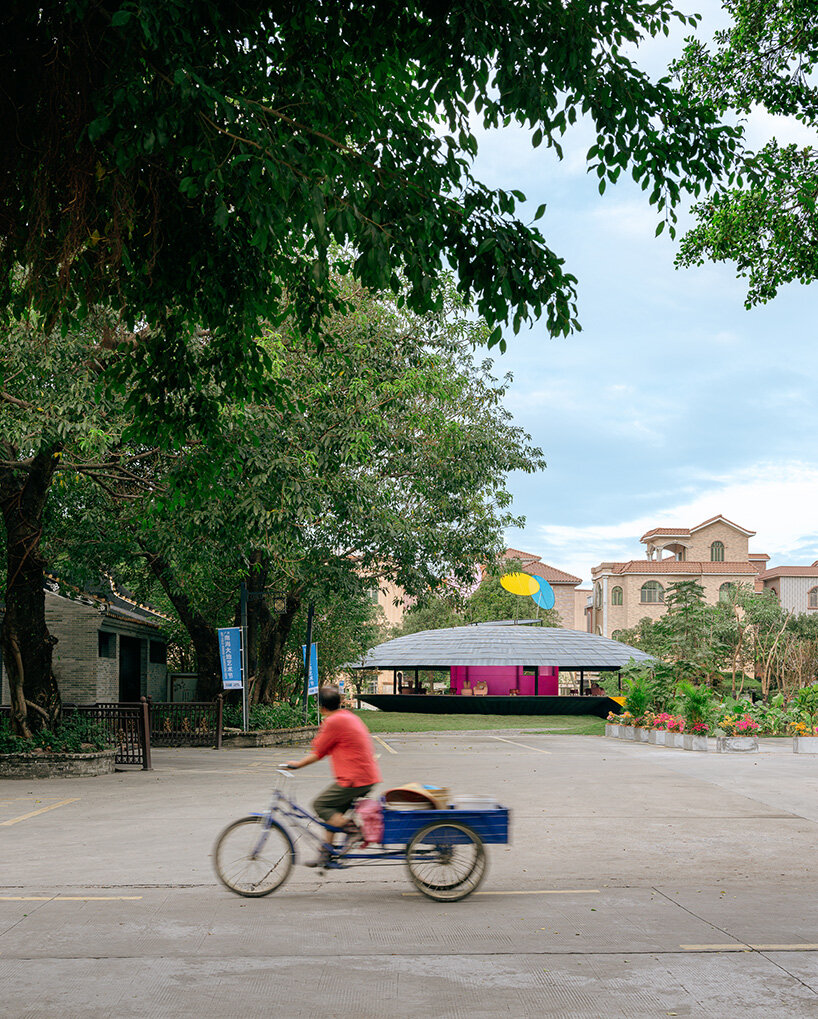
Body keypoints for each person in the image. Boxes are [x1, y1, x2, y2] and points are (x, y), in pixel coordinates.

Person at [286, 684, 382, 867]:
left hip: (355, 779)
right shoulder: (347, 716)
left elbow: (318, 751)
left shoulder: (333, 721)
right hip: (364, 776)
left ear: (321, 707)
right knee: (334, 811)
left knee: (321, 805)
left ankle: (354, 831)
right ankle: (326, 854)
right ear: (340, 702)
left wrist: (297, 765)